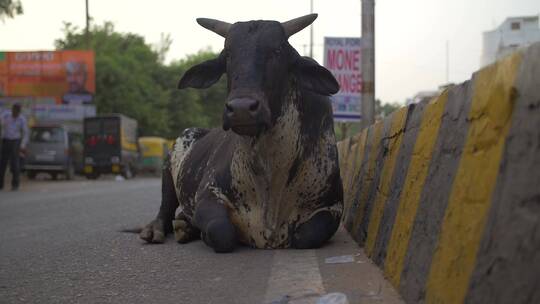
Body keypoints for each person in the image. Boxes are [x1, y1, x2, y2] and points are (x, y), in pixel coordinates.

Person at [0, 103, 29, 191]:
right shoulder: (5, 115)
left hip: (16, 141)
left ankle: (15, 184)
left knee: (15, 163)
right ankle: (0, 184)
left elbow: (25, 133)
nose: (16, 113)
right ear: (12, 109)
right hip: (5, 140)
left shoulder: (22, 119)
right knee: (2, 163)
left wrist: (23, 145)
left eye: (18, 111)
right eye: (15, 110)